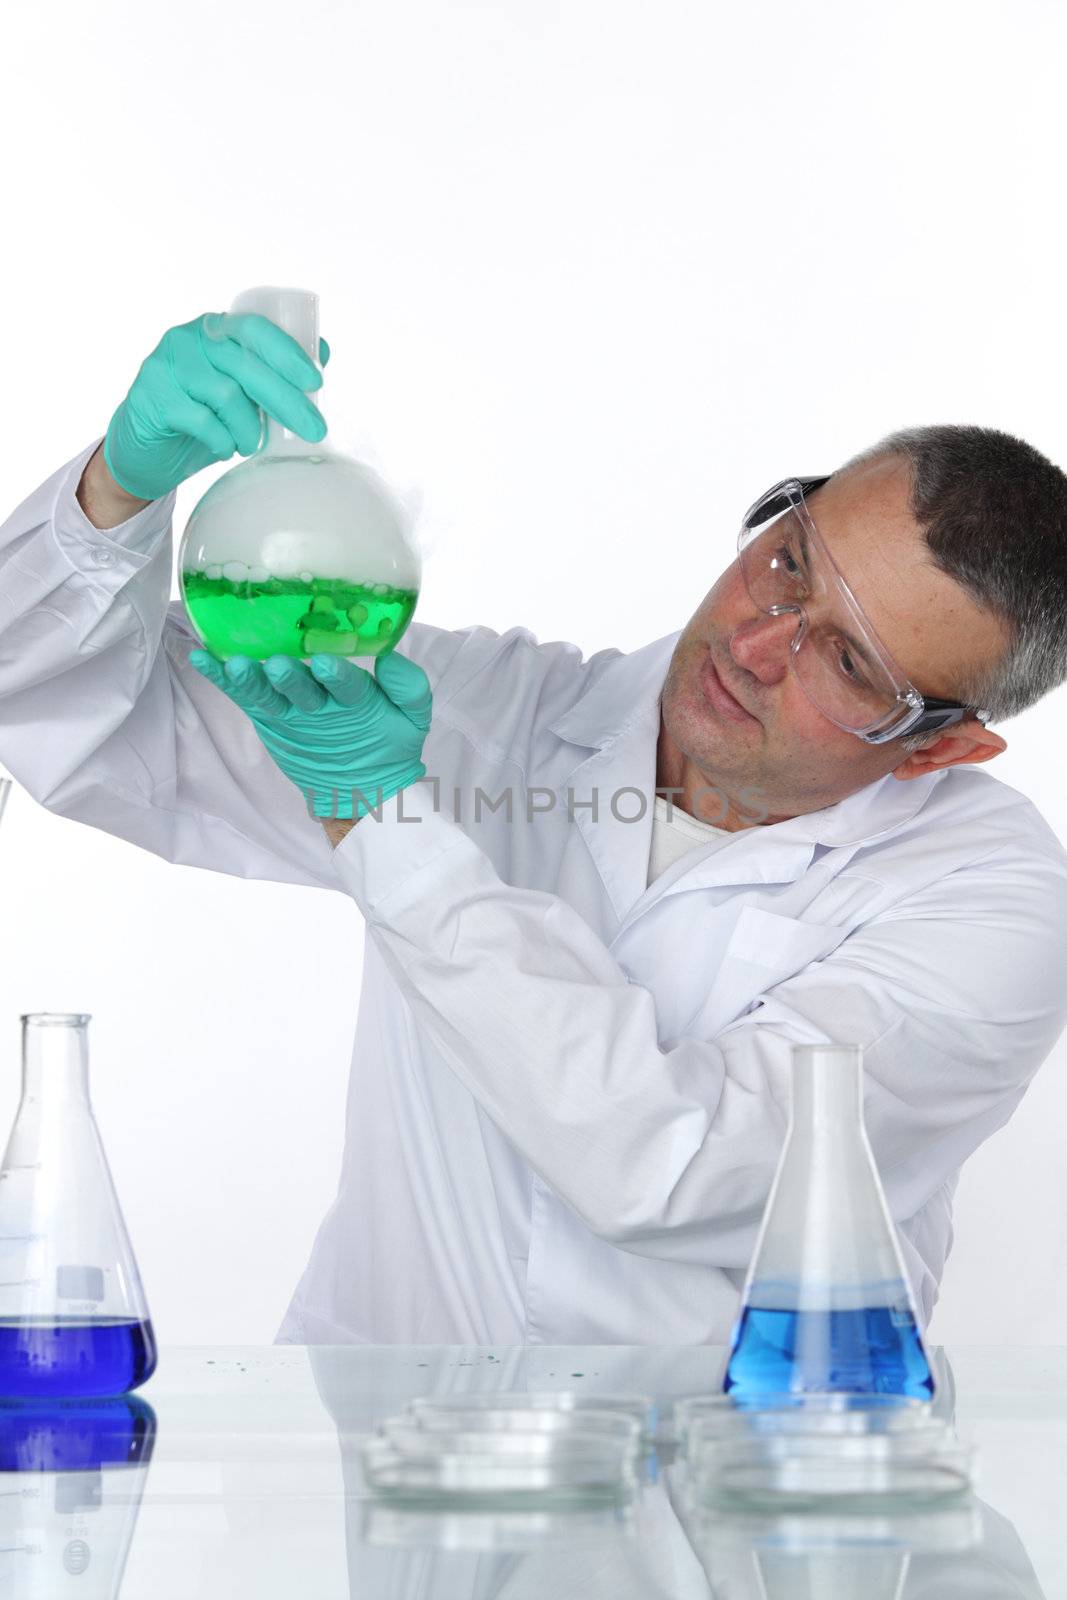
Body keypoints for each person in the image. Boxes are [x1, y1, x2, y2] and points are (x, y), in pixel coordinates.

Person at [1, 310, 1066, 1347]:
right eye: (788, 562)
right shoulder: (492, 713)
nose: (754, 646)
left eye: (844, 662)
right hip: (397, 1468)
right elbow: (53, 703)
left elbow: (673, 1166)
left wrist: (382, 820)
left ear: (936, 748)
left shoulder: (989, 897)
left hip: (734, 1494)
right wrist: (116, 492)